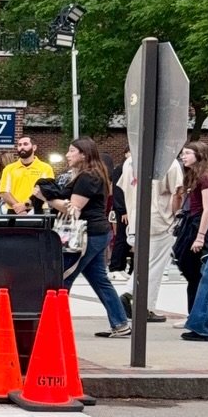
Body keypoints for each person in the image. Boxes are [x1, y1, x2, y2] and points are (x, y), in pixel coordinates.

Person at [31, 136, 130, 337]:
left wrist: (46, 197)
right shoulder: (89, 174)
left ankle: (53, 327)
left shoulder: (88, 177)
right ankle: (120, 324)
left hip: (87, 235)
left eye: (71, 151)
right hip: (96, 233)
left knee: (63, 277)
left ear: (84, 154)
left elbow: (73, 209)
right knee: (99, 280)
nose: (67, 155)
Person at [119, 147, 182, 323]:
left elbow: (124, 188)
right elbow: (177, 193)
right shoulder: (170, 162)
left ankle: (132, 296)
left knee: (144, 262)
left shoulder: (130, 161)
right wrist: (176, 216)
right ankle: (143, 304)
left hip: (136, 216)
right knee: (155, 265)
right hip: (160, 219)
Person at [172, 141, 208, 307]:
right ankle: (194, 312)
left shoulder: (205, 177)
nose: (183, 156)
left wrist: (200, 236)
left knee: (195, 269)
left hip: (199, 224)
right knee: (190, 269)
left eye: (187, 153)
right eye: (183, 153)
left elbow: (207, 209)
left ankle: (197, 312)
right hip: (191, 223)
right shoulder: (192, 176)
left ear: (199, 155)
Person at [0, 133, 55, 211]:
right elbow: (4, 191)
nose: (22, 147)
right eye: (19, 145)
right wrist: (18, 208)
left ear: (34, 147)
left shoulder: (45, 168)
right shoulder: (8, 169)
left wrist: (25, 205)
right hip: (14, 211)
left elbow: (46, 191)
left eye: (25, 144)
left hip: (38, 210)